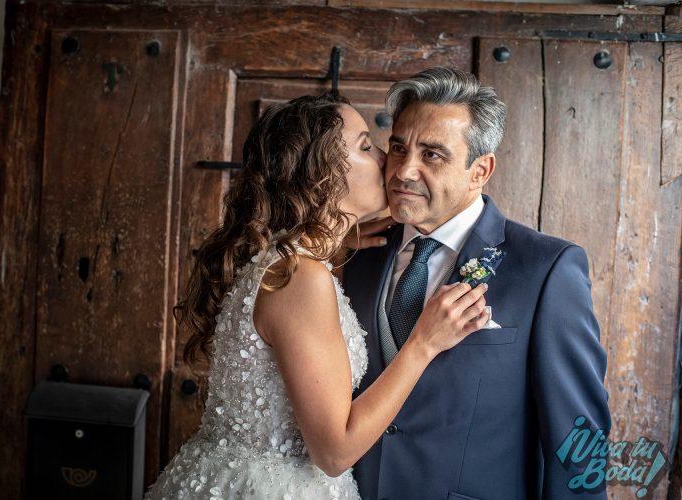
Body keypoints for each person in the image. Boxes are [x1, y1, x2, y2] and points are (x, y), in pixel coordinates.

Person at [145, 92, 489, 499]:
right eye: (365, 146)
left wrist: (336, 244)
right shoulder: (300, 277)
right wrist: (423, 343)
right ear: (323, 175)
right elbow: (334, 451)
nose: (386, 159)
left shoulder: (290, 261)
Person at [344, 67, 612, 499]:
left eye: (432, 154)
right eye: (398, 148)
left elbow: (578, 441)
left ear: (480, 170)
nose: (404, 171)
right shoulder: (357, 254)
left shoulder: (546, 269)